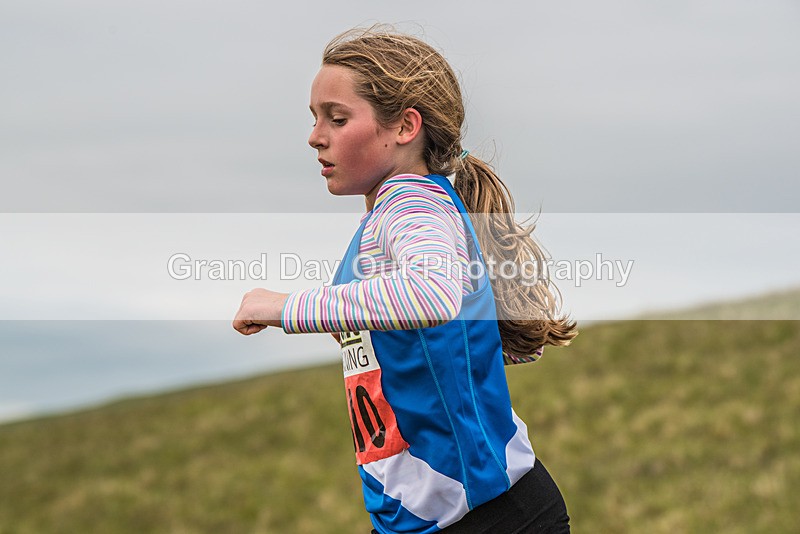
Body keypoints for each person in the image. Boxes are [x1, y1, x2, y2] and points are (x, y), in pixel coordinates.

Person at [233, 25, 577, 533]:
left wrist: (282, 307)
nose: (315, 136)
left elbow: (430, 294)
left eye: (338, 117)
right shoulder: (400, 212)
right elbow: (441, 328)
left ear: (405, 126)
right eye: (315, 118)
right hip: (431, 519)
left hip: (486, 519)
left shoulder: (410, 203)